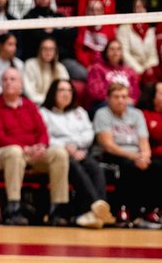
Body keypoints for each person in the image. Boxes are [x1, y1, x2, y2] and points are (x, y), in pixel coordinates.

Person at [0, 68, 70, 225]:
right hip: (1, 153)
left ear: (21, 85)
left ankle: (57, 210)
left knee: (60, 153)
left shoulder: (29, 106)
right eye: (5, 79)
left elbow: (42, 131)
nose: (8, 82)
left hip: (31, 152)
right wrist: (25, 148)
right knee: (15, 153)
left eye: (12, 79)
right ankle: (13, 208)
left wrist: (41, 146)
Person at [39, 78, 113, 228]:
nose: (66, 94)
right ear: (53, 93)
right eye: (61, 90)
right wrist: (66, 146)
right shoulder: (44, 113)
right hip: (58, 155)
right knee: (73, 166)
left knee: (94, 167)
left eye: (69, 90)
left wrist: (74, 145)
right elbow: (45, 137)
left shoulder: (80, 112)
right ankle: (96, 206)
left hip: (79, 151)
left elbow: (88, 134)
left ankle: (94, 211)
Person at [93, 83, 162, 228]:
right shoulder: (102, 114)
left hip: (136, 154)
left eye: (124, 96)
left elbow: (144, 141)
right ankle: (124, 209)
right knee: (128, 166)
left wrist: (145, 156)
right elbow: (108, 145)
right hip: (113, 154)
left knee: (157, 166)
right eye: (116, 97)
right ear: (108, 98)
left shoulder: (136, 114)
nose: (120, 100)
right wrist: (134, 157)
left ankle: (149, 211)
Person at [117, 0, 160, 84]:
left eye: (143, 7)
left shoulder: (152, 31)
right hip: (130, 70)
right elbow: (125, 54)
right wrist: (140, 71)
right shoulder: (124, 29)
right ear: (132, 9)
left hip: (148, 70)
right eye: (137, 7)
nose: (140, 10)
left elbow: (153, 54)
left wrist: (148, 69)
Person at [85, 40, 140, 108]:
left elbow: (135, 92)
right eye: (112, 49)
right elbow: (95, 92)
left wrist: (130, 100)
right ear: (106, 52)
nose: (115, 52)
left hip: (126, 104)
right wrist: (115, 99)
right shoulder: (97, 69)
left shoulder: (129, 71)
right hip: (104, 103)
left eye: (118, 49)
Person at [23, 37, 69, 105]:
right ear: (40, 50)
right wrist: (50, 101)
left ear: (55, 51)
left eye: (51, 49)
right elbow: (29, 93)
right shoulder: (30, 65)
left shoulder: (60, 68)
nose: (48, 52)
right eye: (45, 49)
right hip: (36, 105)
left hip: (56, 105)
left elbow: (66, 90)